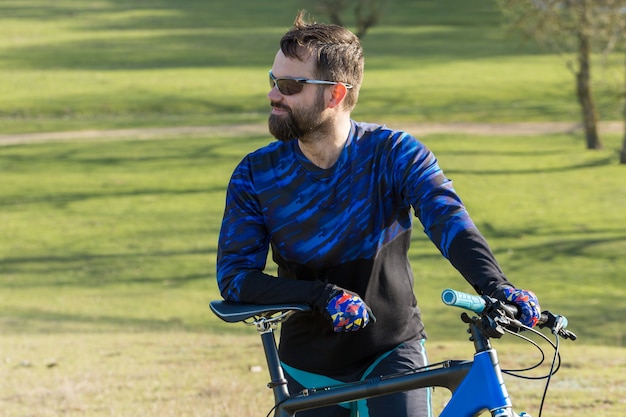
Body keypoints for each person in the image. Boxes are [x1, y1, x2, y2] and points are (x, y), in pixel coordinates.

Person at [216, 10, 541, 417]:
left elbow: (449, 223)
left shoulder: (394, 153)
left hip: (390, 353)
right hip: (306, 368)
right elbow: (235, 278)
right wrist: (320, 296)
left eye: (288, 85)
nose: (273, 95)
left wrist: (498, 287)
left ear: (334, 94)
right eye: (273, 80)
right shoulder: (255, 174)